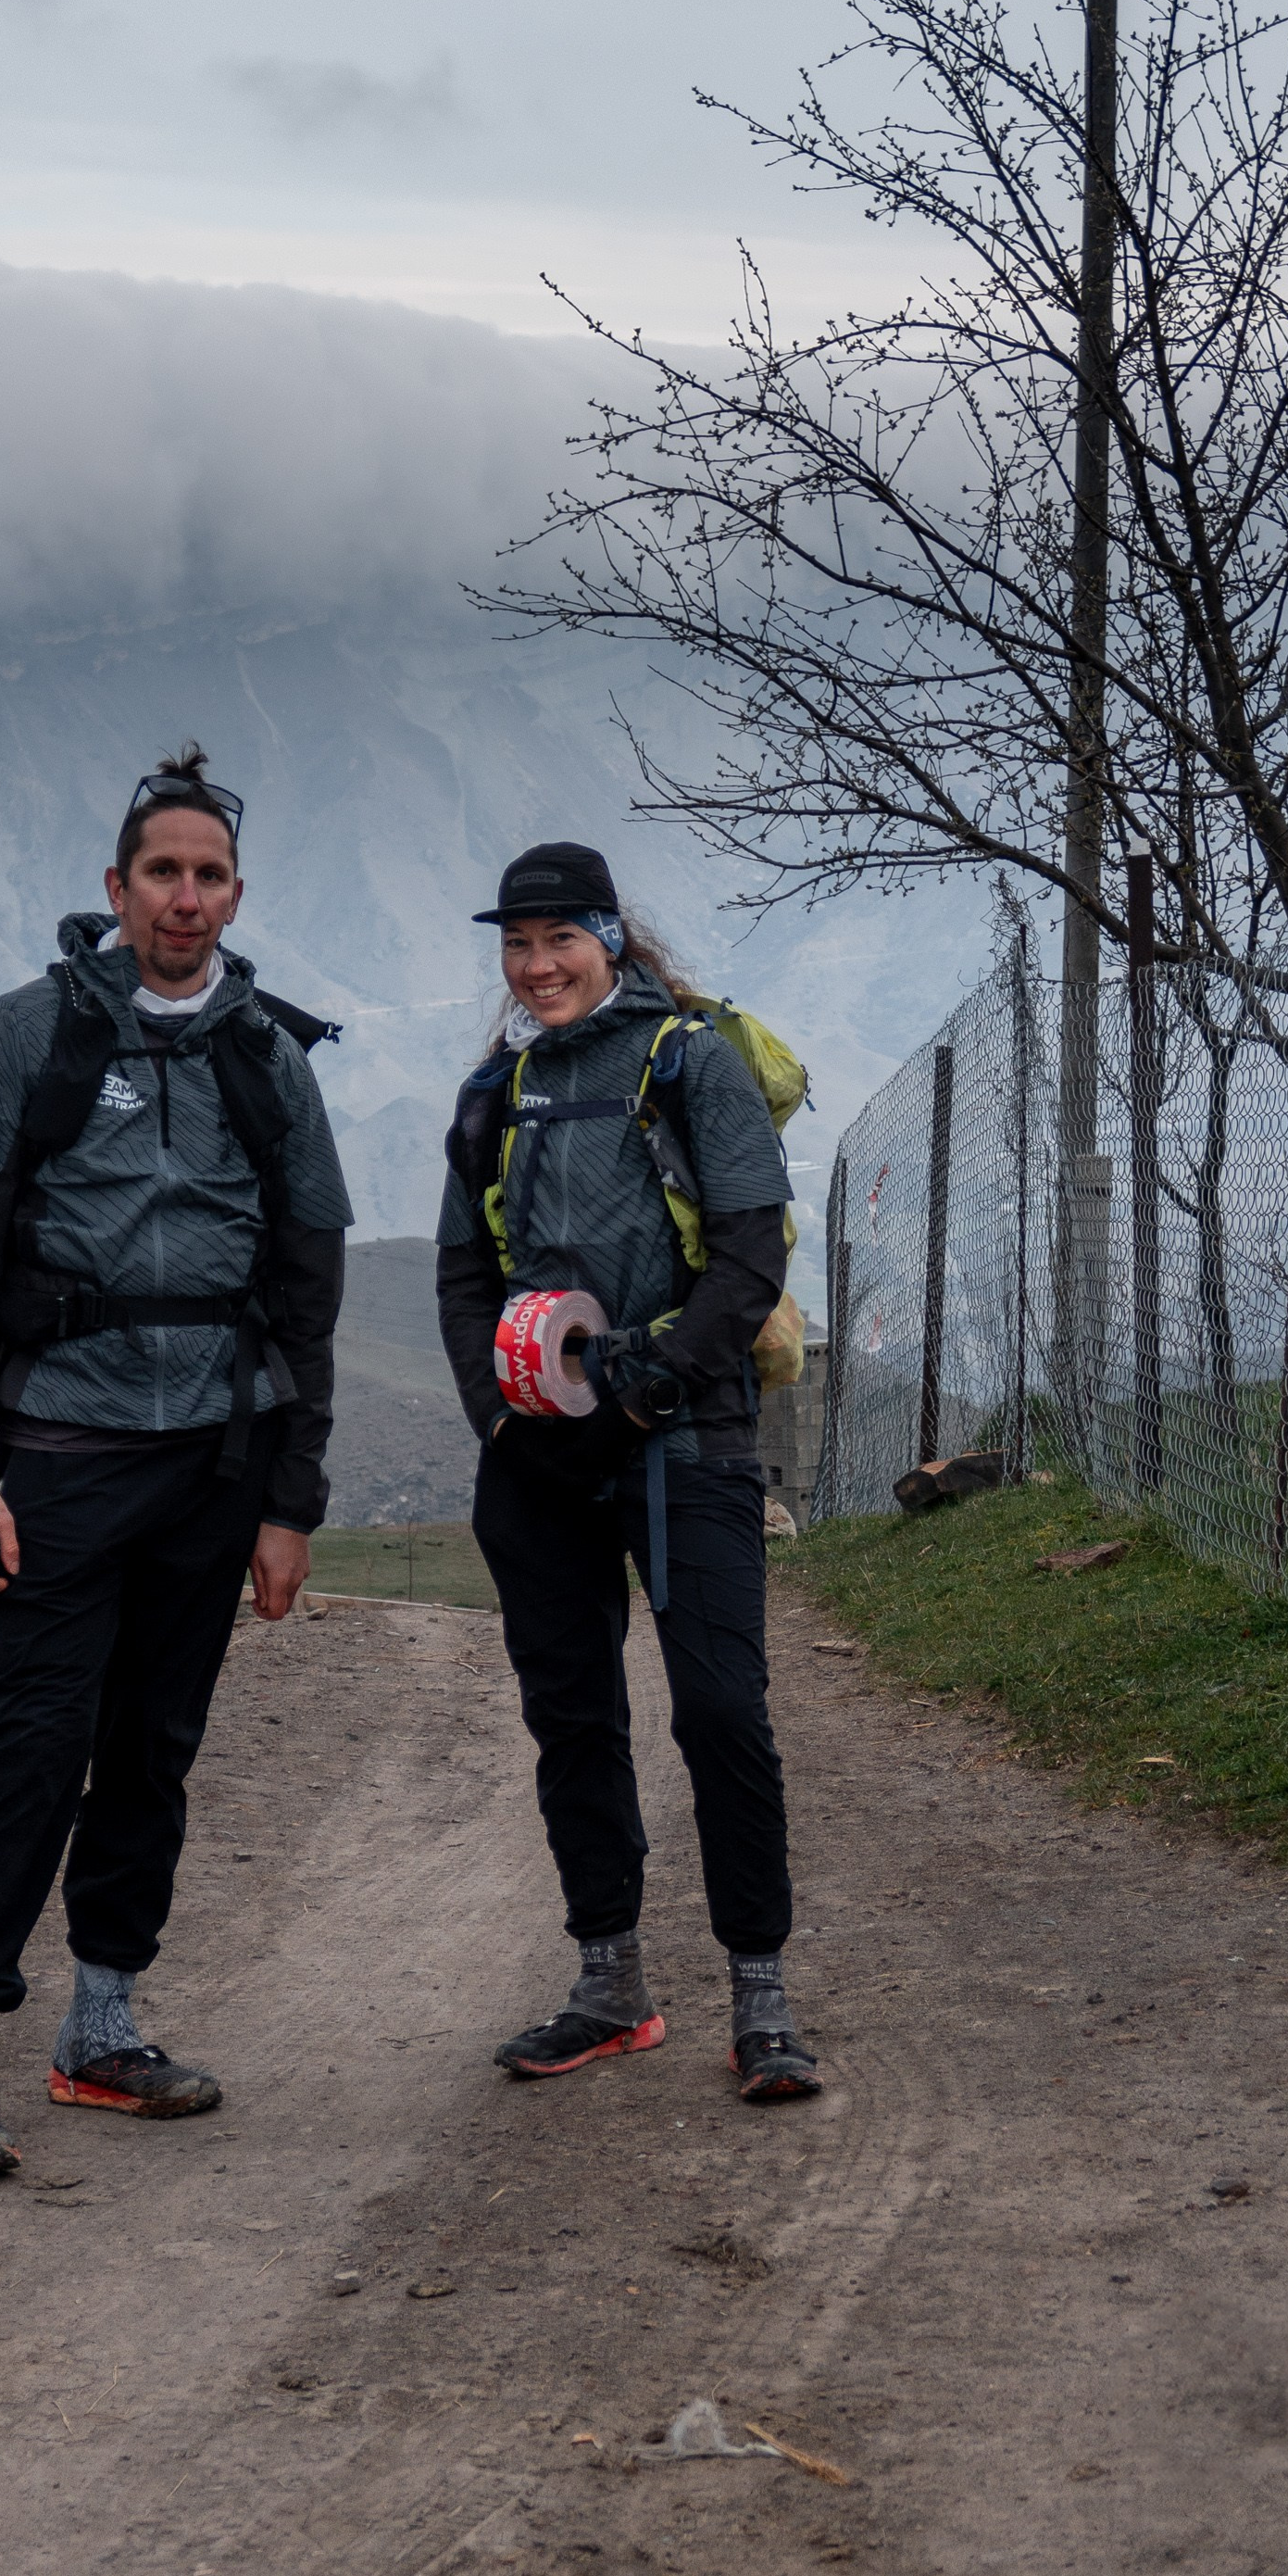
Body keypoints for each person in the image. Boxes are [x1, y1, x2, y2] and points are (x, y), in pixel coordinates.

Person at [0, 746, 352, 2180]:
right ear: (116, 887)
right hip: (60, 1456)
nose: (185, 896)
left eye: (209, 874)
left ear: (235, 894)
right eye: (161, 871)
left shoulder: (268, 1056)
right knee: (35, 1747)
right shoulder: (27, 1032)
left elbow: (307, 1284)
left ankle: (102, 2030)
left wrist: (292, 1498)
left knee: (154, 1749)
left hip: (214, 1461)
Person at [435, 841, 818, 2099]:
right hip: (538, 1450)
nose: (537, 966)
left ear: (612, 935)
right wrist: (500, 1415)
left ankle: (761, 2002)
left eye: (560, 940)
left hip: (687, 1436)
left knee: (719, 1712)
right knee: (573, 1717)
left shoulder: (689, 1061)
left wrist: (649, 1385)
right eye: (518, 945)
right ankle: (610, 1986)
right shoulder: (500, 1086)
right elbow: (462, 1271)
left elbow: (749, 1250)